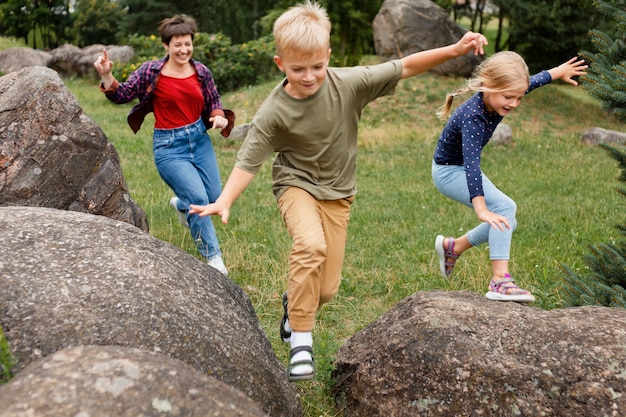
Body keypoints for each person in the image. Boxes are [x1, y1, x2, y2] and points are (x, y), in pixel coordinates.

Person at [190, 0, 487, 382]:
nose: (310, 76)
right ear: (280, 64)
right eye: (298, 69)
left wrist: (455, 49)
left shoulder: (349, 83)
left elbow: (406, 66)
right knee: (310, 246)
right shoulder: (273, 111)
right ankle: (301, 341)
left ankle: (292, 303)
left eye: (317, 66)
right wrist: (225, 200)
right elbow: (249, 160)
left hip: (339, 194)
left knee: (326, 289)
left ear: (328, 56)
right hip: (295, 185)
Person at [432, 51, 587, 303]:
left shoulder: (498, 96)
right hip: (449, 172)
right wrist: (480, 207)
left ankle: (454, 247)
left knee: (507, 218)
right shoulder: (473, 116)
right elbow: (472, 165)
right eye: (509, 97)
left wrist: (558, 72)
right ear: (489, 87)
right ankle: (500, 281)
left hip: (458, 168)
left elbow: (532, 82)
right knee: (503, 209)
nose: (514, 103)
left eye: (518, 97)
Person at [94, 15, 234, 276]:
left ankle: (181, 205)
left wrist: (218, 115)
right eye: (177, 45)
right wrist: (107, 75)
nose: (183, 50)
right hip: (169, 147)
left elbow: (214, 100)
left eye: (188, 44)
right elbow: (122, 94)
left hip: (199, 141)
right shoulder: (151, 71)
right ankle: (214, 260)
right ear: (166, 46)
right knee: (199, 201)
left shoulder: (202, 72)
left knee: (213, 198)